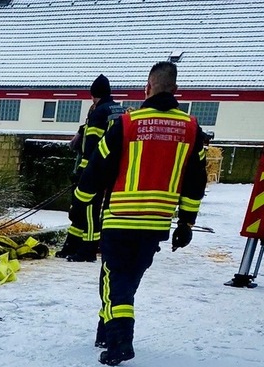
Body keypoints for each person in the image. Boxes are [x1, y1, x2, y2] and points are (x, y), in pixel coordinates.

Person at [71, 61, 207, 365]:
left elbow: (97, 167)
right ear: (176, 91)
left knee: (113, 278)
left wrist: (80, 202)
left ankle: (120, 340)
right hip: (156, 223)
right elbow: (197, 179)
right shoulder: (191, 129)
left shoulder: (128, 124)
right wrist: (186, 222)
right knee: (128, 279)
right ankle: (107, 330)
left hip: (121, 218)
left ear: (147, 88)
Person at [63, 74, 127, 262]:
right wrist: (83, 129)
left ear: (93, 95)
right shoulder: (119, 110)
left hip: (96, 170)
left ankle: (87, 251)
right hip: (116, 169)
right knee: (96, 210)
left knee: (89, 209)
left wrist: (81, 172)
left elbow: (91, 147)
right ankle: (72, 245)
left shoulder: (98, 113)